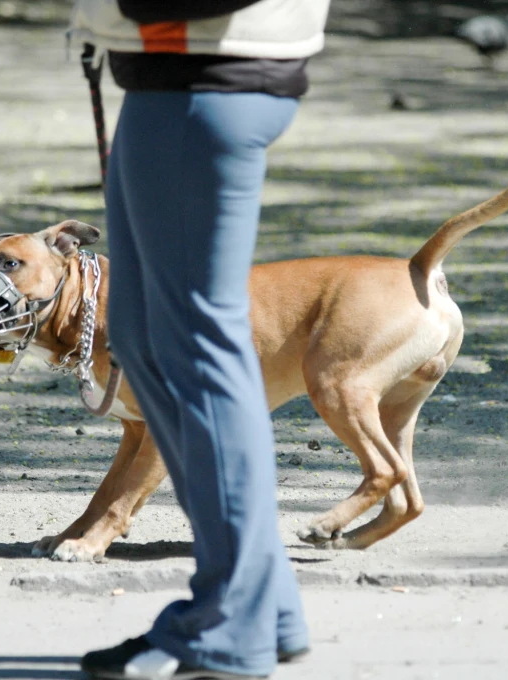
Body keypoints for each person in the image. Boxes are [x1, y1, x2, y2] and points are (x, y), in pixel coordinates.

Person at [69, 1, 332, 678]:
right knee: (144, 337)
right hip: (170, 77)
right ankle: (266, 609)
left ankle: (228, 627)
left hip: (204, 77)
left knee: (196, 350)